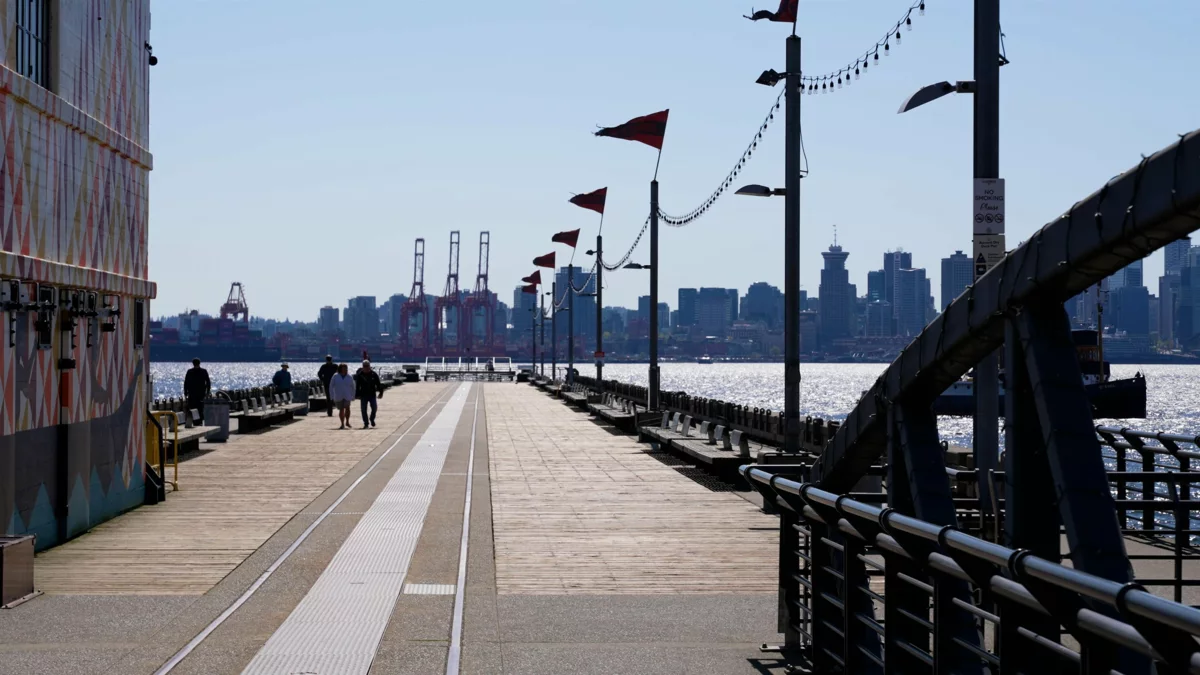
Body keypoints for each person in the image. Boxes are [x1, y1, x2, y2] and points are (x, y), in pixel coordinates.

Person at [354, 360, 384, 429]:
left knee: (374, 408)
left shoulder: (374, 374)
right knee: (363, 410)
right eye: (364, 366)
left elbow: (378, 384)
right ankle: (366, 423)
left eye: (367, 366)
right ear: (362, 367)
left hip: (372, 394)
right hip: (363, 395)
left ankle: (372, 419)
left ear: (369, 366)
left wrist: (381, 392)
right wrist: (357, 395)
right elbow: (357, 386)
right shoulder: (360, 375)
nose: (366, 367)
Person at [183, 358, 211, 423]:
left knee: (193, 408)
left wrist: (185, 392)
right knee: (200, 408)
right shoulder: (204, 371)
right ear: (199, 363)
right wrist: (207, 392)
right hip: (201, 393)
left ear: (193, 363)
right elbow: (208, 382)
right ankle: (199, 421)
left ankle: (195, 421)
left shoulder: (189, 372)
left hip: (192, 393)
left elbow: (186, 383)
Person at [328, 363, 356, 429]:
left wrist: (353, 395)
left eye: (346, 368)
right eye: (344, 368)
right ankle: (342, 423)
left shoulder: (349, 377)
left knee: (347, 408)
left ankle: (347, 421)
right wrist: (331, 395)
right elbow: (331, 386)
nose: (345, 369)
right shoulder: (335, 376)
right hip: (338, 395)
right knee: (341, 409)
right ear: (340, 369)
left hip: (347, 395)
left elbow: (353, 386)